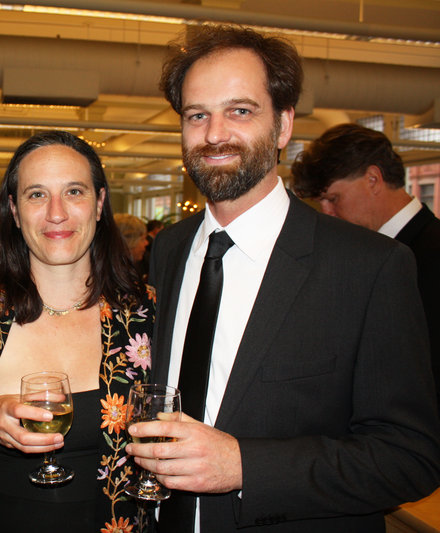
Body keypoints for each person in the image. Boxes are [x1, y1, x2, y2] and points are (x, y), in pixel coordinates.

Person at [126, 25, 440, 532]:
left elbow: (410, 457)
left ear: (284, 125)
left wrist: (245, 466)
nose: (214, 134)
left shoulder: (370, 267)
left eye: (240, 111)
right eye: (197, 115)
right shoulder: (171, 248)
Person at [0, 130, 155, 533]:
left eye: (75, 192)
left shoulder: (143, 312)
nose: (57, 213)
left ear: (99, 204)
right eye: (36, 195)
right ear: (13, 209)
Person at [291, 123, 440, 407]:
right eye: (320, 203)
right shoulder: (350, 256)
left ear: (373, 179)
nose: (327, 214)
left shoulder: (432, 256)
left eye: (333, 199)